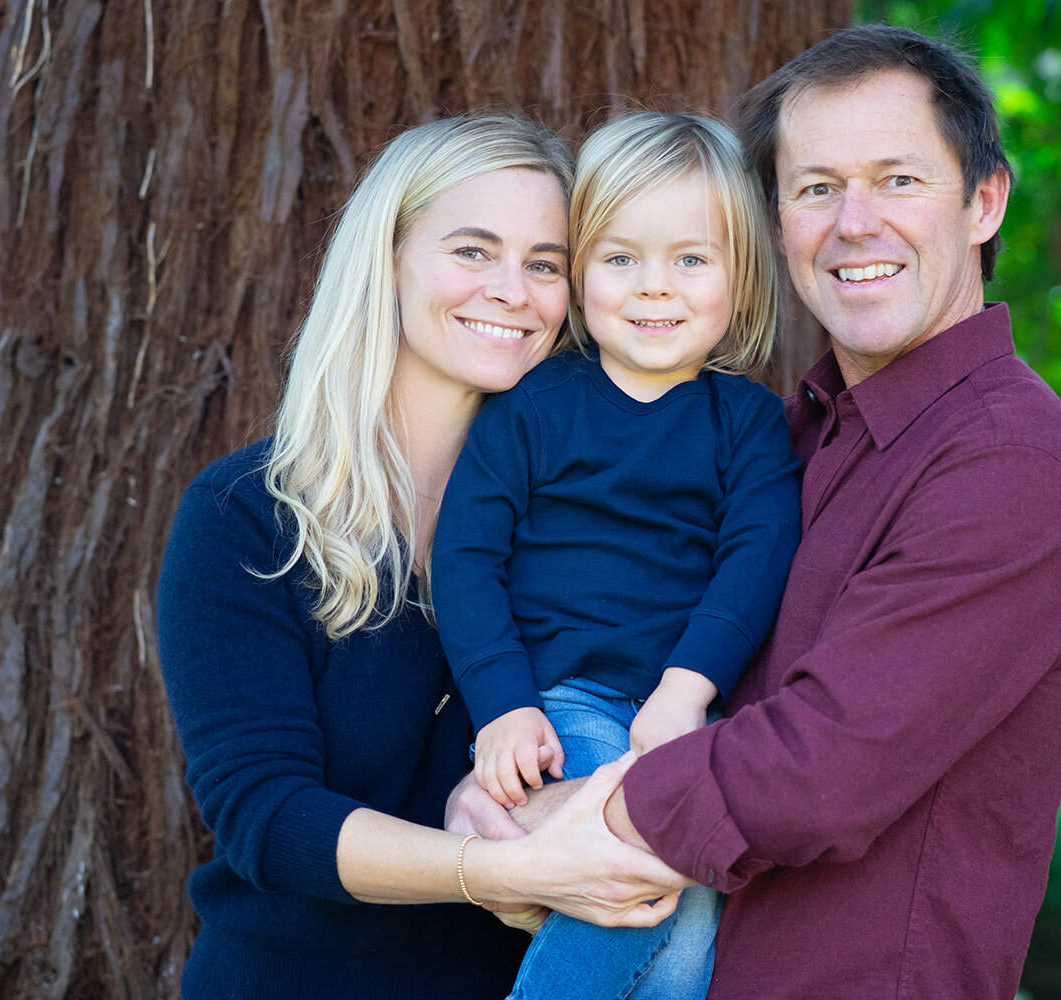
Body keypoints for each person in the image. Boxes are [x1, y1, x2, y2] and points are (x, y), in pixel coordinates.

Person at [469, 25, 1061, 1000]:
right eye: (817, 188)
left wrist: (575, 821)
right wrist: (491, 776)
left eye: (899, 180)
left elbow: (824, 765)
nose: (854, 222)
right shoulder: (793, 439)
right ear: (779, 224)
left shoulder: (1007, 465)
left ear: (984, 201)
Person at [156, 114, 688, 1000]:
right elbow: (267, 817)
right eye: (474, 251)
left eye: (545, 263)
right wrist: (494, 868)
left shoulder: (589, 521)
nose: (513, 291)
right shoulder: (249, 519)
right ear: (388, 259)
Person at [431, 111, 801, 1000]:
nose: (654, 288)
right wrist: (505, 708)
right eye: (620, 258)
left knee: (691, 941)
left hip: (686, 710)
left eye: (691, 259)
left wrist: (687, 689)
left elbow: (754, 561)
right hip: (566, 707)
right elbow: (467, 558)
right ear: (581, 271)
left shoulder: (745, 423)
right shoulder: (531, 406)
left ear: (742, 281)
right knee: (635, 887)